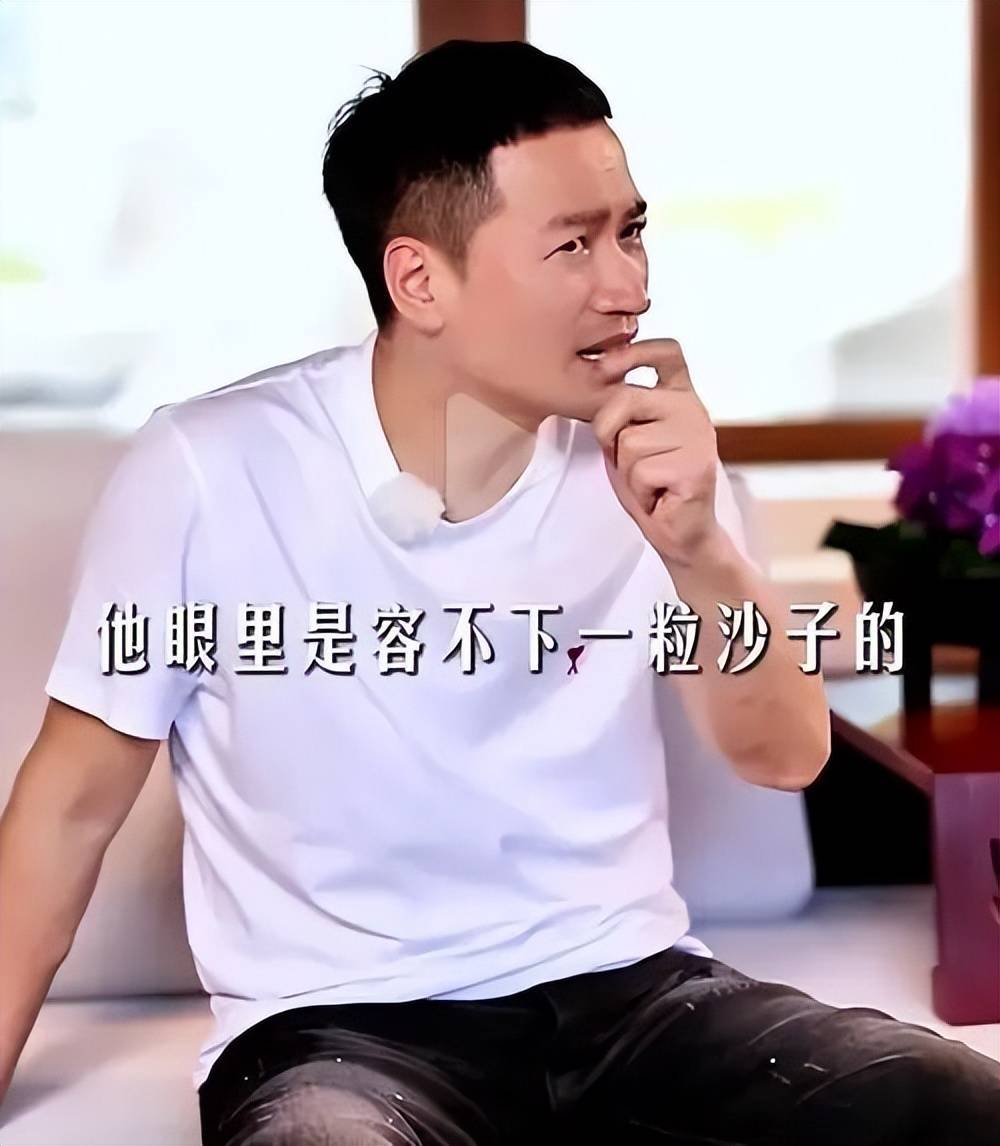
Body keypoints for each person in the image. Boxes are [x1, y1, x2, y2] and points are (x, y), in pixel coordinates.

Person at [1, 38, 997, 1146]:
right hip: (343, 1035)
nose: (628, 287)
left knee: (946, 1098)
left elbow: (786, 757)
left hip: (638, 998)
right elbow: (67, 811)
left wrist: (698, 550)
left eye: (630, 232)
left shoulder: (658, 466)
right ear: (418, 280)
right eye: (571, 245)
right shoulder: (208, 469)